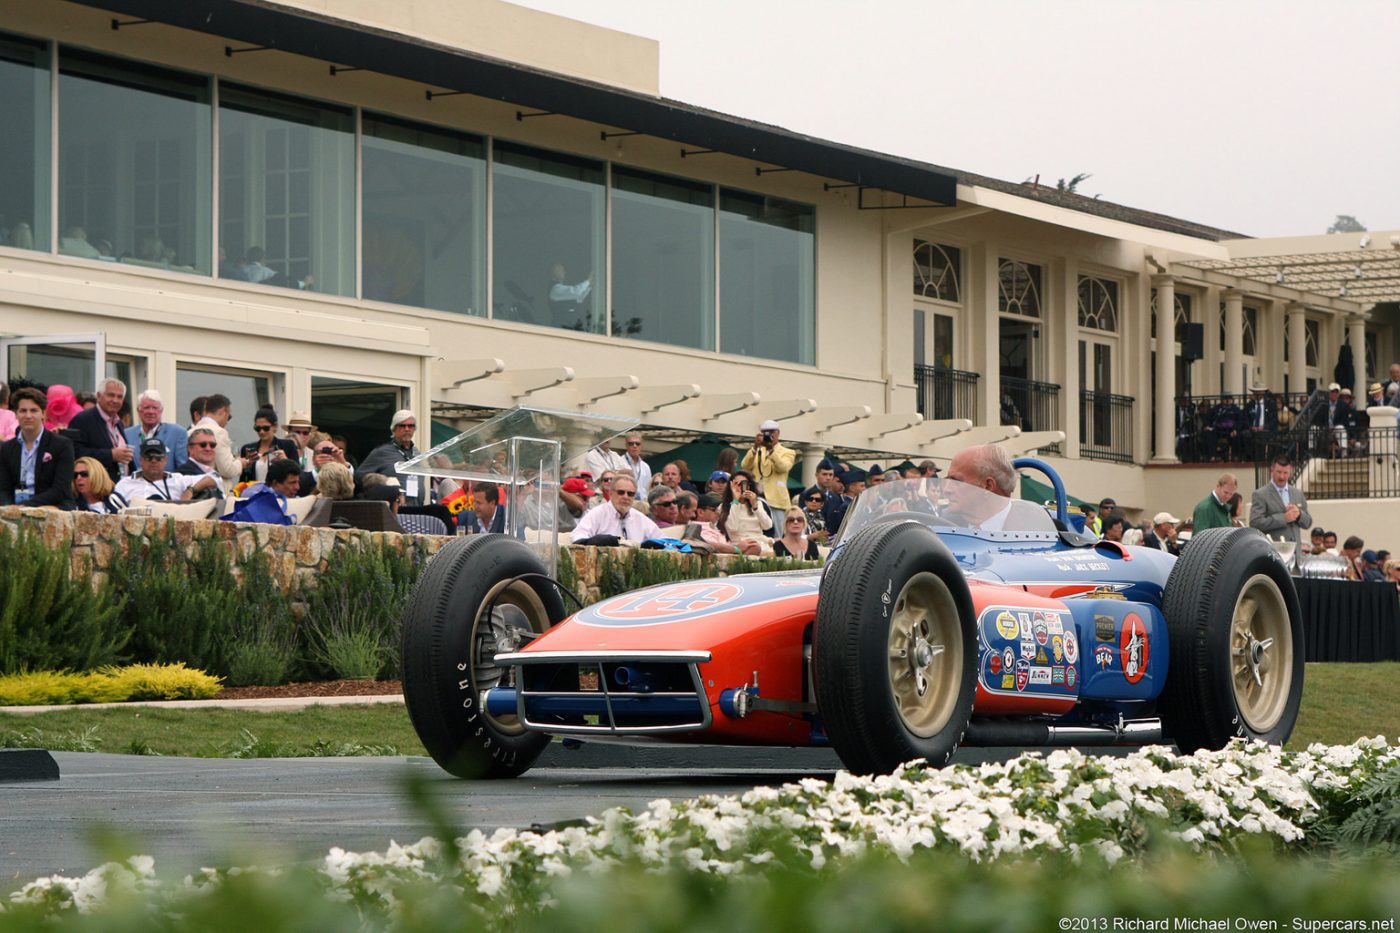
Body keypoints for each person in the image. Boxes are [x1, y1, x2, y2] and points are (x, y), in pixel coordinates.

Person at [0, 387, 76, 509]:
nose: (28, 416)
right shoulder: (6, 448)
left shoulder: (62, 445)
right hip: (15, 508)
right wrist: (9, 507)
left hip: (52, 505)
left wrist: (26, 506)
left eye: (34, 411)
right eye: (23, 411)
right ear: (16, 414)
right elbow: (3, 488)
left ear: (44, 414)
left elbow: (60, 489)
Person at [67, 378, 134, 483]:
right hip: (95, 488)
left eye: (119, 397)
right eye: (111, 395)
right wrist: (110, 455)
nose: (115, 400)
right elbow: (74, 453)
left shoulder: (118, 422)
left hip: (120, 486)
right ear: (98, 396)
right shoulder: (82, 420)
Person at [357, 409, 427, 505]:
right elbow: (359, 477)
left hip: (418, 507)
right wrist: (385, 483)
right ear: (394, 429)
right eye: (402, 426)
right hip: (395, 508)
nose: (407, 429)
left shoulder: (417, 453)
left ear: (414, 429)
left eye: (411, 426)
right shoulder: (382, 451)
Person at [115, 438, 219, 502]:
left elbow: (215, 478)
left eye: (158, 457)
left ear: (165, 460)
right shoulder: (125, 483)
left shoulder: (177, 480)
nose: (154, 461)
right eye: (149, 457)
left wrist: (191, 490)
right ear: (140, 460)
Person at [570, 474, 659, 544]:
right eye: (621, 492)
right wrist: (596, 542)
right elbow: (578, 537)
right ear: (611, 493)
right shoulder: (597, 514)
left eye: (630, 494)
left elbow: (663, 541)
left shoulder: (640, 518)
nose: (625, 497)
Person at [1249, 456, 1311, 552]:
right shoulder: (1260, 494)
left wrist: (1299, 514)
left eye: (1285, 473)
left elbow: (1308, 523)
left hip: (1295, 555)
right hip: (1273, 553)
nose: (1282, 477)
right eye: (1279, 472)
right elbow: (1255, 523)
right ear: (1272, 470)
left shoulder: (1297, 493)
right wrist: (1283, 518)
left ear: (1290, 471)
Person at [124, 389, 189, 470]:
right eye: (146, 407)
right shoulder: (127, 434)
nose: (151, 411)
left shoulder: (177, 433)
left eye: (155, 407)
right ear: (139, 410)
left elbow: (182, 468)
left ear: (161, 410)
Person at [740, 419, 796, 509]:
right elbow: (744, 466)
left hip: (776, 501)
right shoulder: (757, 451)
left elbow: (782, 468)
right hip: (756, 498)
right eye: (765, 433)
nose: (768, 435)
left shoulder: (788, 452)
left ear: (778, 433)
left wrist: (770, 450)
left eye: (771, 432)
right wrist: (755, 447)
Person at [191, 393, 243, 484]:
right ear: (222, 411)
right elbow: (227, 470)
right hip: (215, 491)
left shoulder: (189, 432)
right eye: (229, 416)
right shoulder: (219, 432)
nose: (227, 421)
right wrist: (241, 463)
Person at [238, 407, 298, 482]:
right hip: (254, 492)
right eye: (257, 428)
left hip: (278, 492)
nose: (261, 432)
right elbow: (243, 478)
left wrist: (286, 461)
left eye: (266, 428)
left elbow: (298, 474)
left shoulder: (287, 446)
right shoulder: (248, 449)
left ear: (275, 427)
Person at [718, 469, 772, 553]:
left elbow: (768, 526)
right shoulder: (723, 506)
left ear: (749, 486)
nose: (740, 487)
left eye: (744, 484)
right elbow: (732, 528)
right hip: (741, 545)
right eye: (737, 484)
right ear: (731, 486)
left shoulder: (758, 503)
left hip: (760, 542)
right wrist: (735, 501)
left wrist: (755, 506)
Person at [176, 427, 233, 496]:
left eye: (212, 445)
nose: (208, 448)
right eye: (203, 445)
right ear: (190, 448)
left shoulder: (211, 472)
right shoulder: (184, 473)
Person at [547, 262, 593, 329]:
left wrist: (589, 287)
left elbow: (579, 298)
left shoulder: (559, 288)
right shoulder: (555, 289)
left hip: (568, 325)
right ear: (554, 272)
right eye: (561, 270)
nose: (564, 272)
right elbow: (575, 292)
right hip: (560, 326)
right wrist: (588, 281)